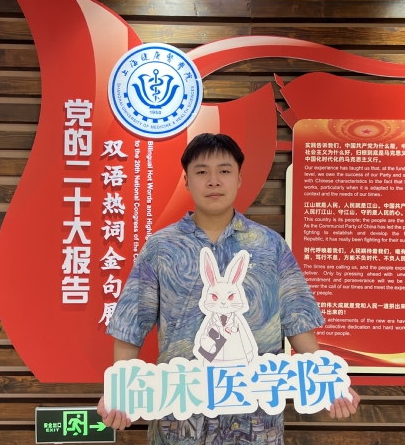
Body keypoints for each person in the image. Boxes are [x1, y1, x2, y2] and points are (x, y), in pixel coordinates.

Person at [98, 133, 360, 443]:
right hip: (180, 422)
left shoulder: (269, 246)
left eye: (224, 170)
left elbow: (298, 320)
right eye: (201, 171)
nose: (213, 181)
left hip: (254, 423)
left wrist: (329, 382)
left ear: (238, 178)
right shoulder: (162, 248)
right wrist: (120, 391)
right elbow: (130, 326)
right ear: (187, 180)